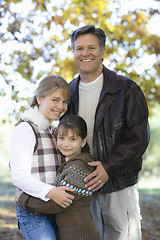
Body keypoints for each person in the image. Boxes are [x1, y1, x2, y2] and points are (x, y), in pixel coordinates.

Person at [64, 25, 150, 240]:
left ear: (103, 52)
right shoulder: (67, 93)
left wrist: (108, 168)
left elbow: (138, 139)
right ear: (73, 53)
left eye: (92, 47)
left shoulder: (127, 89)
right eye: (79, 48)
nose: (85, 53)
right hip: (82, 188)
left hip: (119, 186)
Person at [10, 75, 75, 240]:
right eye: (55, 100)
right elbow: (19, 176)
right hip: (34, 211)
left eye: (65, 102)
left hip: (56, 209)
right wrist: (51, 192)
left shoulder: (54, 131)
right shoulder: (26, 128)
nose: (60, 106)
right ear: (39, 98)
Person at [17, 115, 100, 240]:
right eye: (61, 138)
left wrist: (24, 199)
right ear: (55, 139)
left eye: (72, 139)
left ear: (83, 142)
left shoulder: (77, 168)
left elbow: (57, 204)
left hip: (79, 235)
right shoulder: (70, 163)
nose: (66, 144)